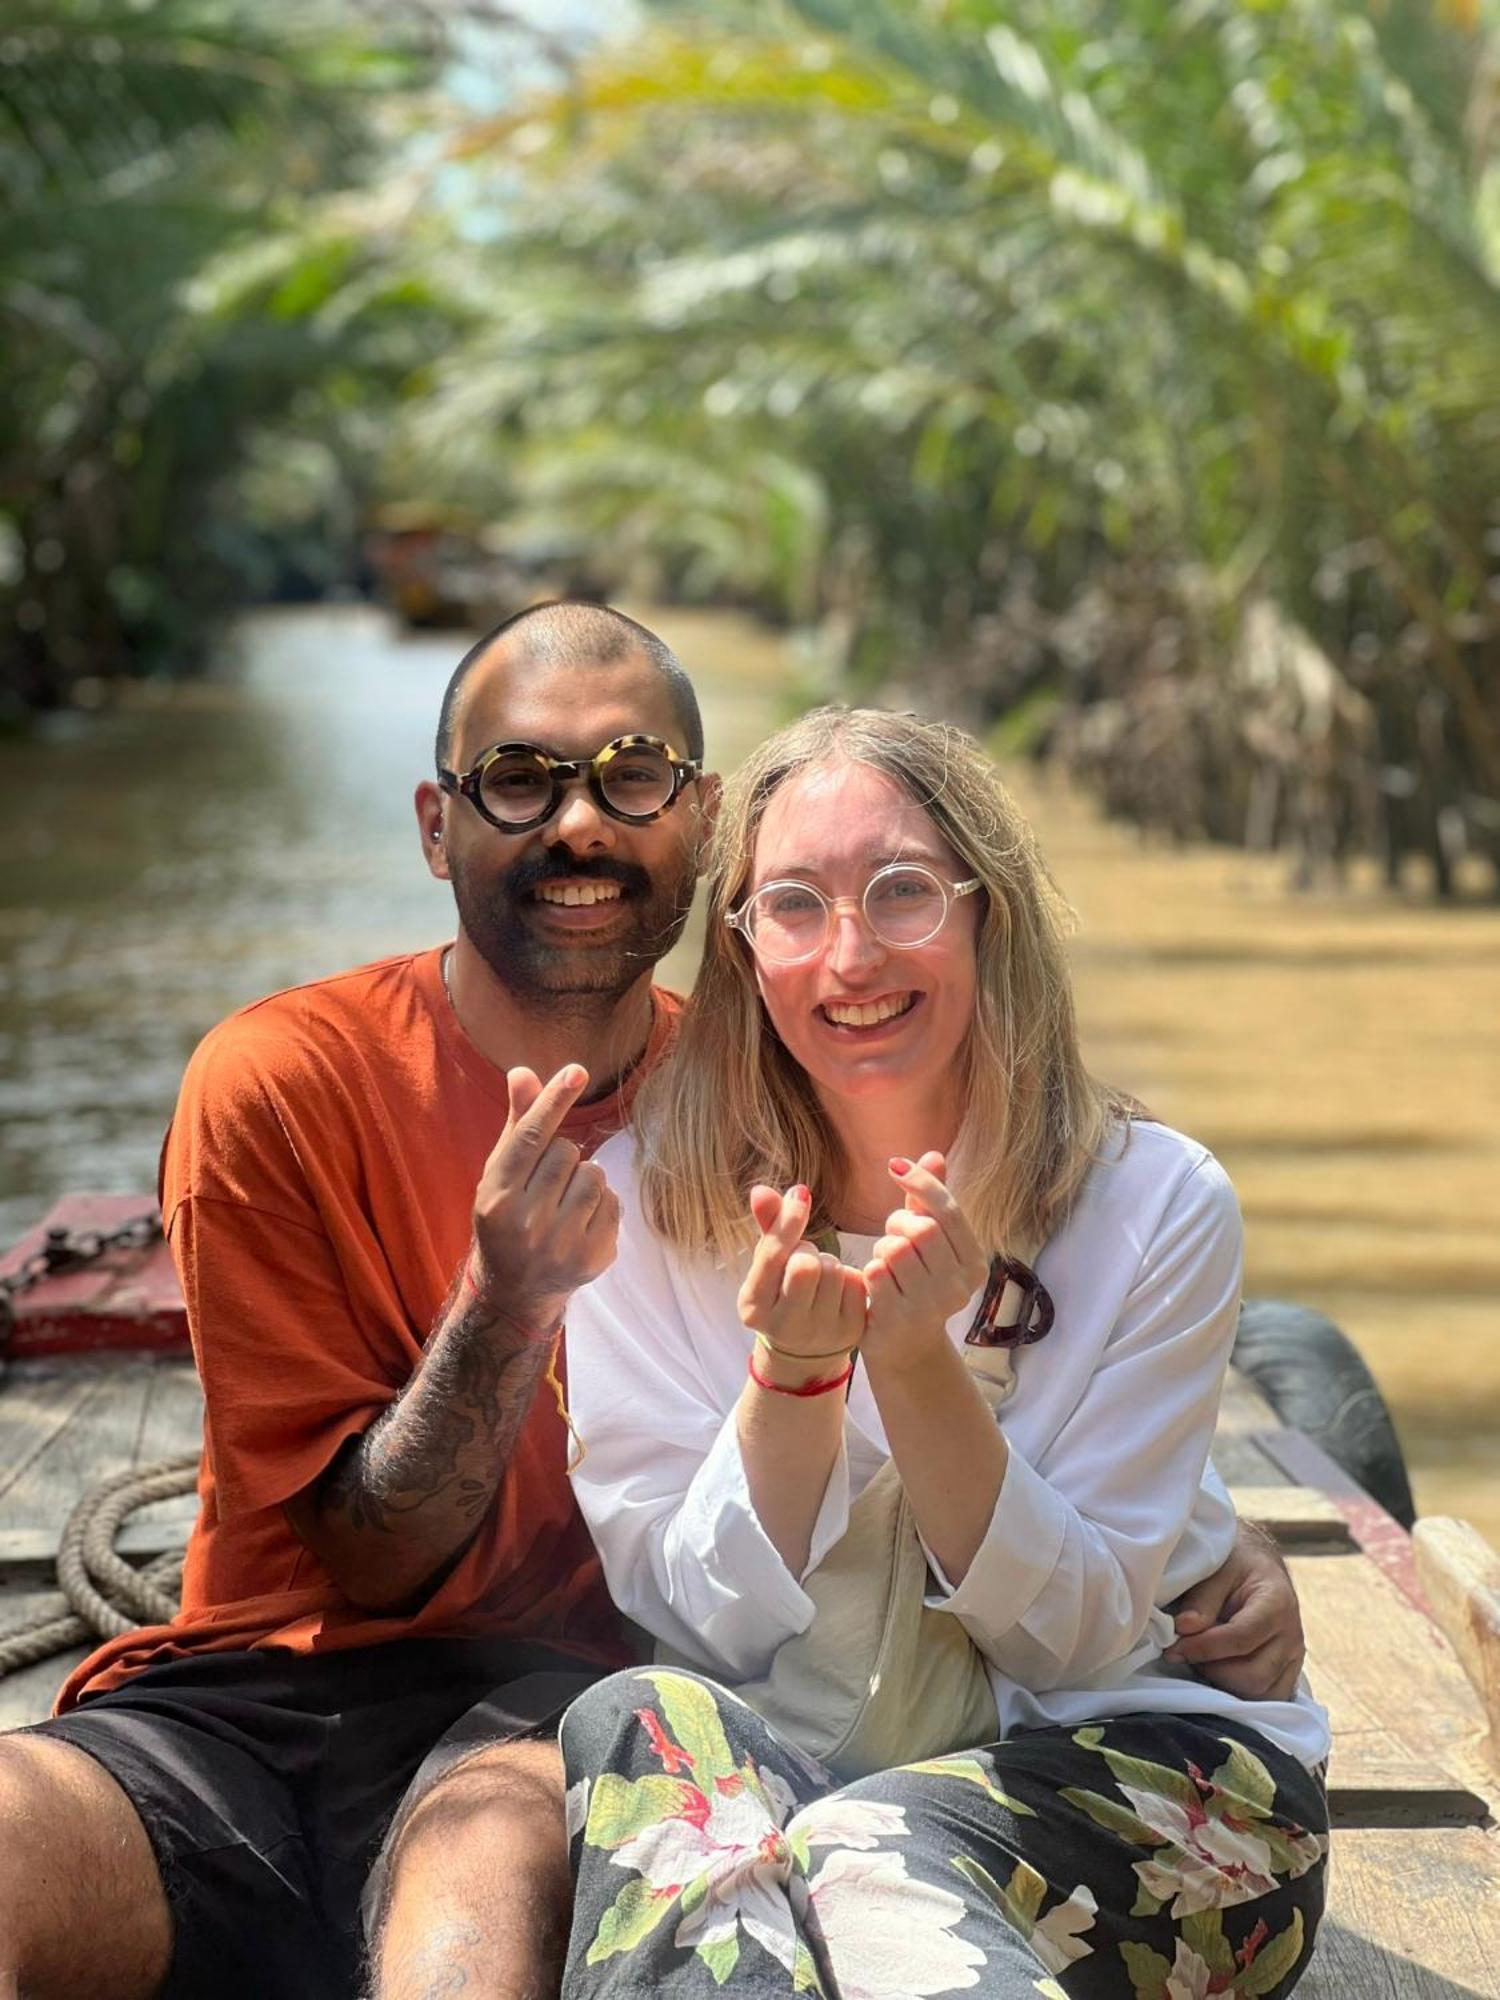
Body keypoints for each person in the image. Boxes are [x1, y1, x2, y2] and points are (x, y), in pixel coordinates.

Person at [0, 607, 1304, 2000]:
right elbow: (368, 1562)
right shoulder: (298, 1084)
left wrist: (1200, 1550)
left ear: (700, 825)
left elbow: (1063, 1392)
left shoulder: (777, 1104)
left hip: (560, 1703)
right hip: (264, 1685)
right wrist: (507, 1308)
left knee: (503, 1858)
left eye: (632, 778)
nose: (578, 826)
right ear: (439, 826)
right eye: (520, 779)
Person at [559, 706, 1331, 1998]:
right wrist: (796, 1382)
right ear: (745, 952)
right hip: (793, 1771)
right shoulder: (639, 1205)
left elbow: (1076, 1642)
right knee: (629, 1723)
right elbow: (701, 1621)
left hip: (1141, 1781)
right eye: (794, 906)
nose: (849, 955)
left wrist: (916, 1363)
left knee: (858, 1850)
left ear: (990, 914)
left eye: (903, 891)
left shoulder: (1155, 1204)